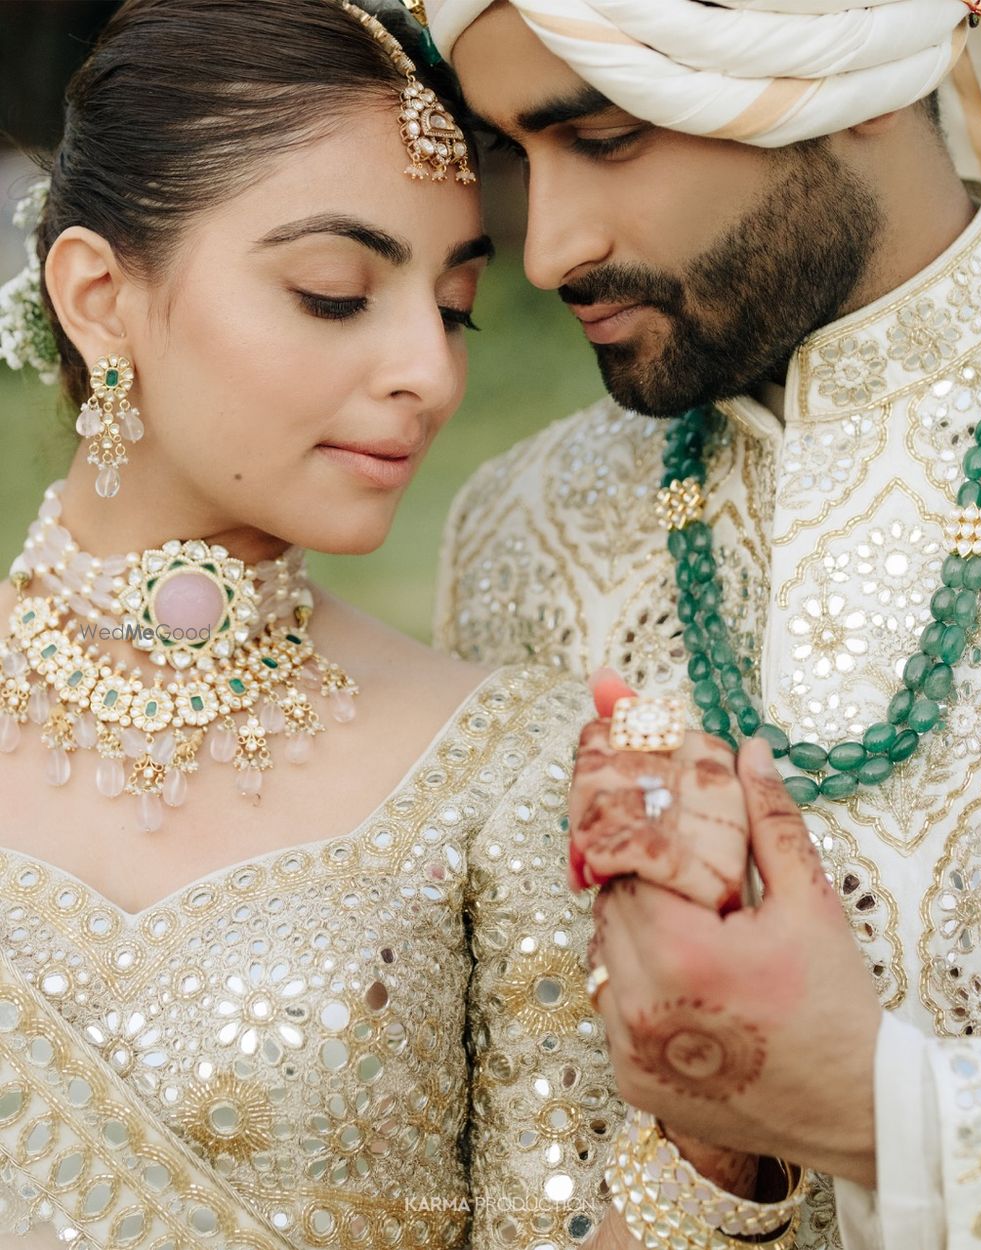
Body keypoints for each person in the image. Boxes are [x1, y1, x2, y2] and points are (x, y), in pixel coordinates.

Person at [0, 1, 650, 1244]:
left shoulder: (506, 765)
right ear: (97, 296)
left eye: (455, 308)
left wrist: (716, 1148)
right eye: (334, 292)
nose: (431, 370)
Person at [429, 0, 981, 1246]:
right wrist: (710, 1158)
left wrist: (887, 1114)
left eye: (608, 135)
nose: (547, 248)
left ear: (845, 74)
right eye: (519, 154)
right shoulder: (522, 533)